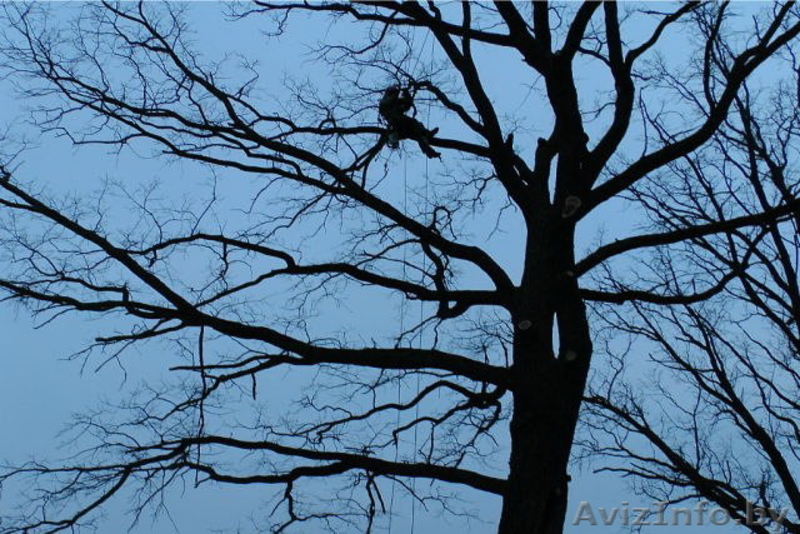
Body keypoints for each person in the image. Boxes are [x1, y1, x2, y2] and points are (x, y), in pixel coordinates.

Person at [379, 85, 440, 158]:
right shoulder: (384, 103)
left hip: (405, 125)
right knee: (413, 124)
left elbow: (407, 105)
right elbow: (390, 102)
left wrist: (406, 94)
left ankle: (428, 149)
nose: (395, 95)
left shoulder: (396, 101)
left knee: (419, 133)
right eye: (393, 93)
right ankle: (426, 135)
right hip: (397, 126)